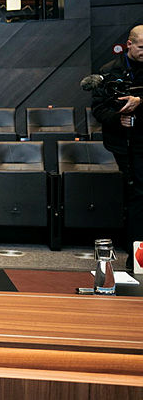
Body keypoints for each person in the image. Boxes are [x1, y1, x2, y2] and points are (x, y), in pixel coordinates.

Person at [92, 25, 143, 270]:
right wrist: (118, 118)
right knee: (137, 196)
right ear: (129, 44)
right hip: (125, 144)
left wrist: (140, 101)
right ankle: (136, 259)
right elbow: (99, 110)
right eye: (142, 47)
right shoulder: (108, 72)